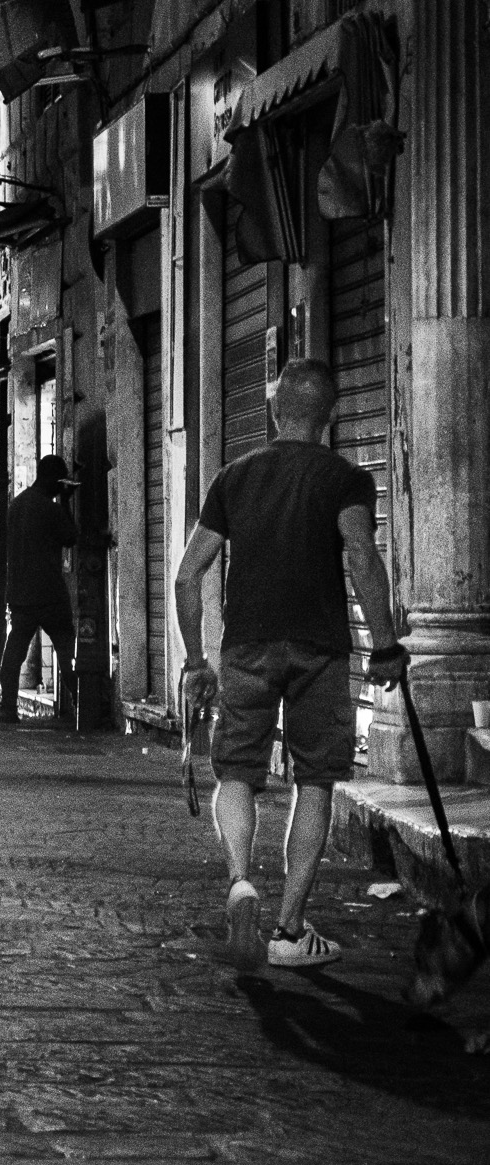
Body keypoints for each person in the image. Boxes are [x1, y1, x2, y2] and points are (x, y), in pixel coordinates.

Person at [174, 357, 408, 971]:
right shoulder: (345, 479)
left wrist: (197, 659)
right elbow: (361, 558)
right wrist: (385, 645)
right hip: (320, 649)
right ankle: (288, 928)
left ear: (273, 411)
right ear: (330, 416)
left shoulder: (234, 476)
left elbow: (186, 575)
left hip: (245, 647)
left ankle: (238, 882)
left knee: (237, 771)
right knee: (314, 781)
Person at [0, 455, 80, 724]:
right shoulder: (49, 508)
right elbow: (71, 537)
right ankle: (82, 707)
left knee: (14, 654)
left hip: (21, 593)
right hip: (49, 594)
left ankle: (7, 708)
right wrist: (66, 502)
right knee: (68, 654)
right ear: (54, 480)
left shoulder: (17, 504)